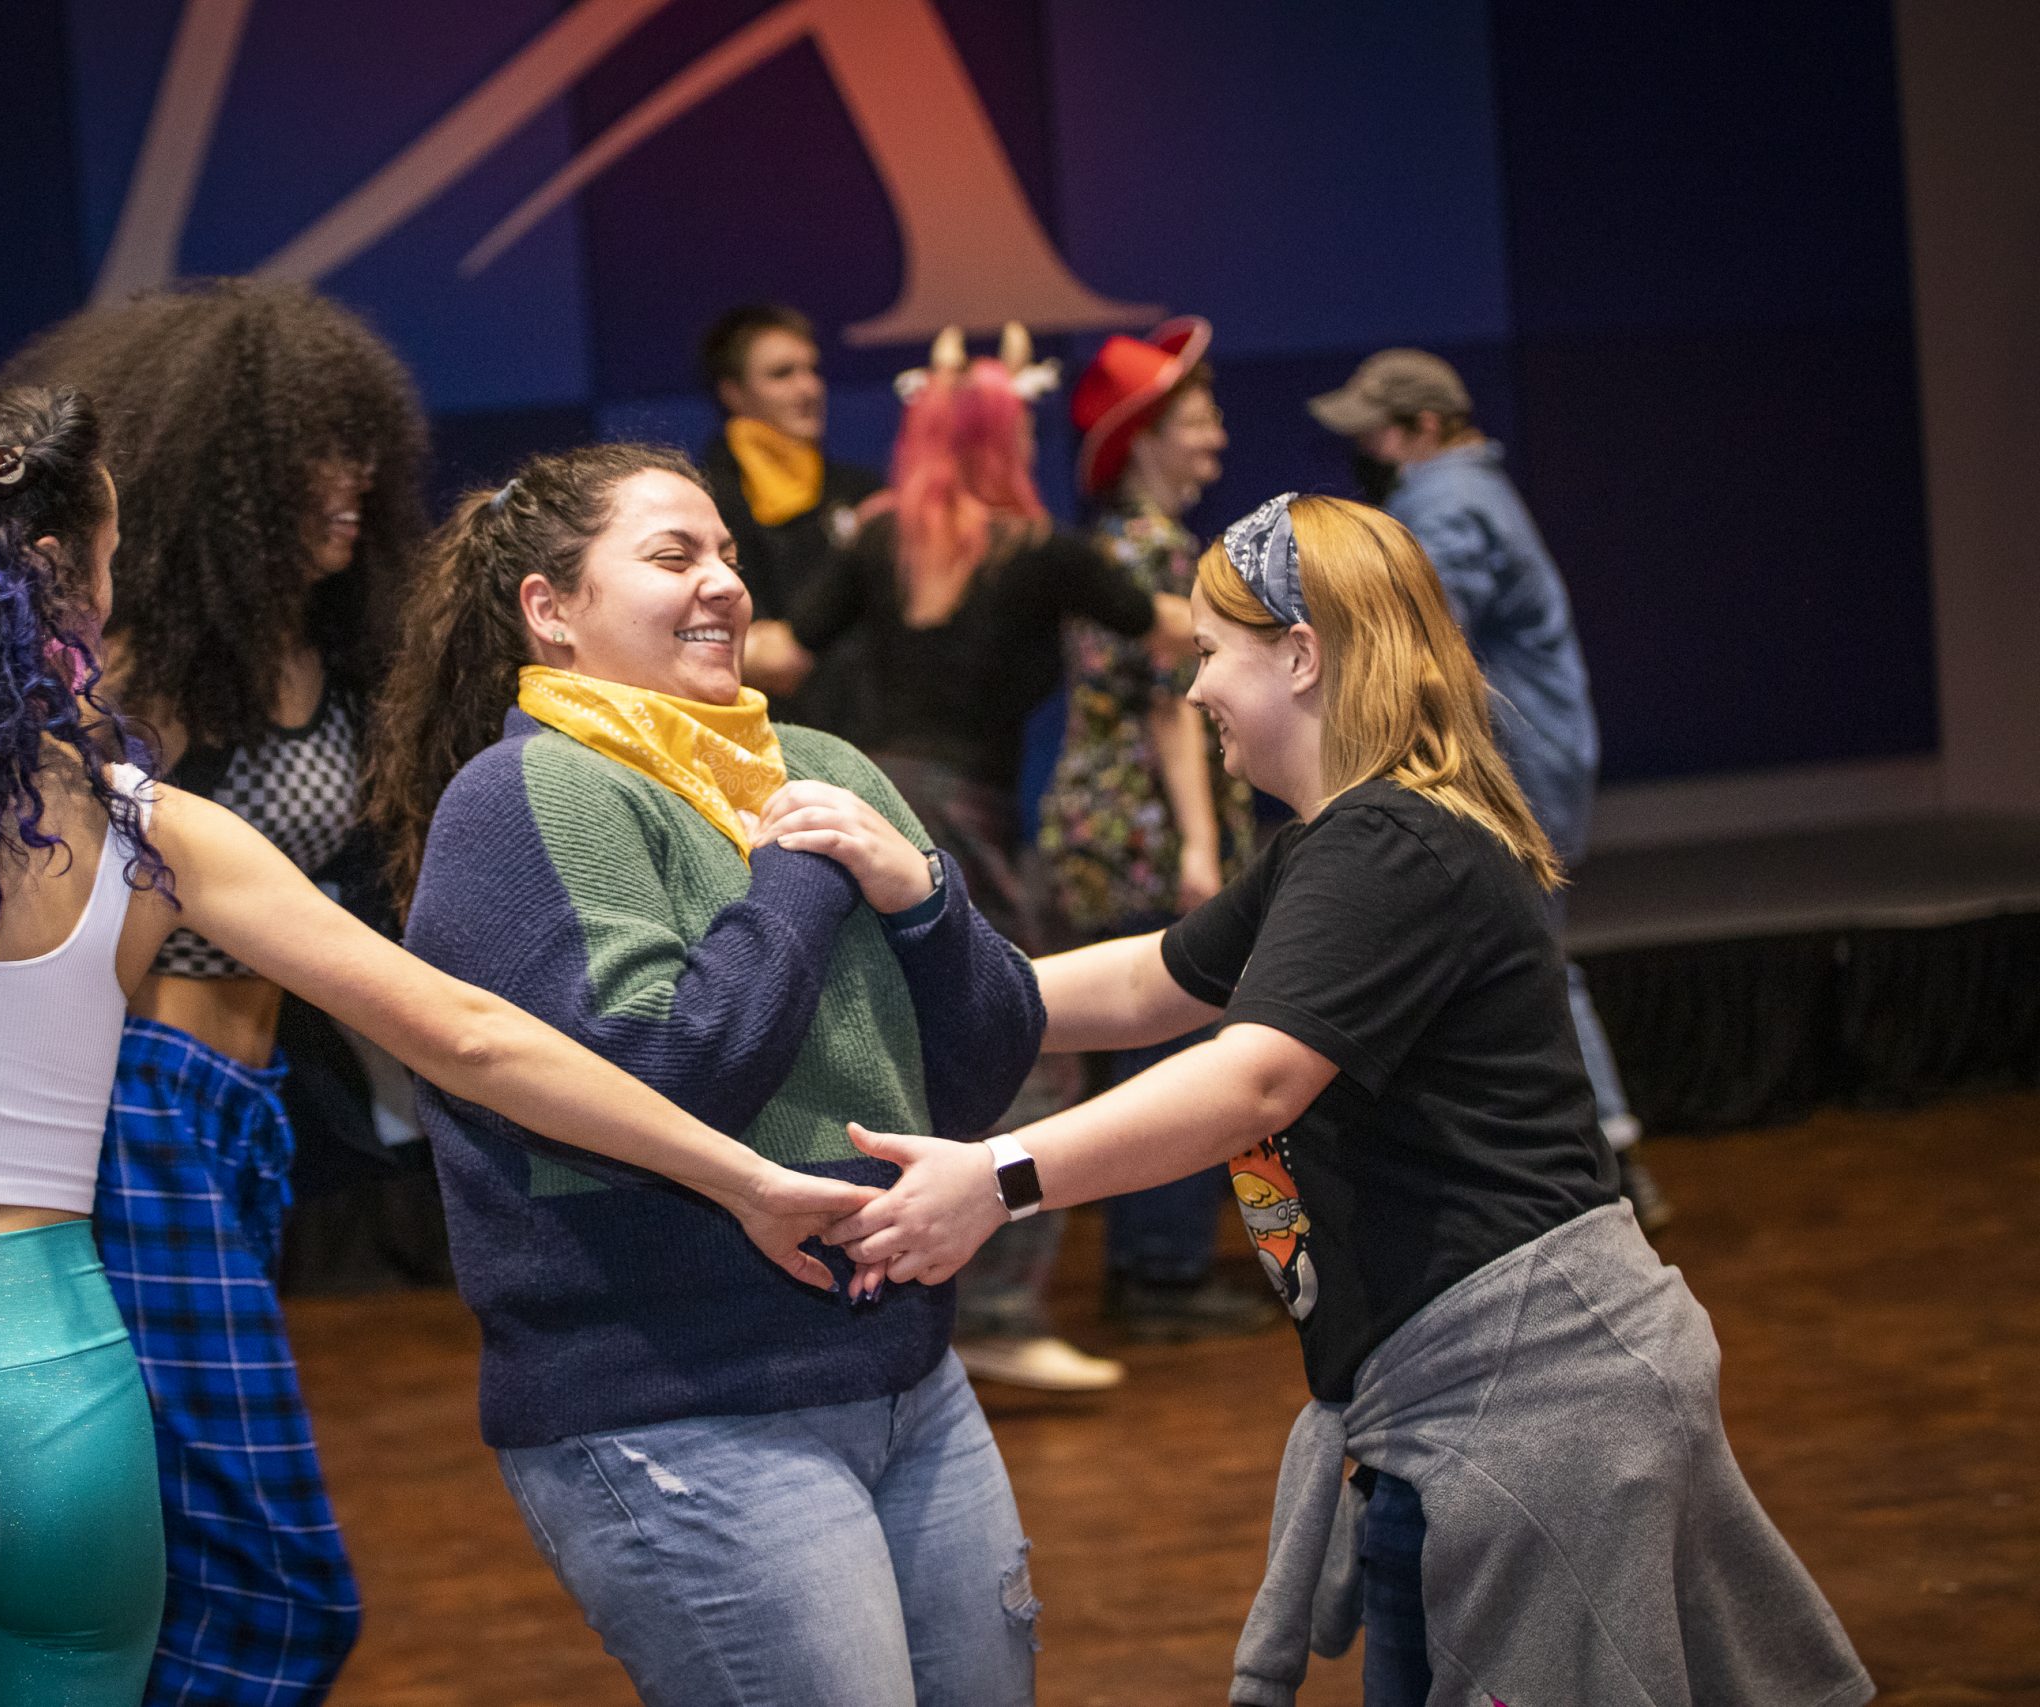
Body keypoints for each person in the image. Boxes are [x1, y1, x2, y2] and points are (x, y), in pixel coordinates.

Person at [0, 385, 875, 1707]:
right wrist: (743, 1176)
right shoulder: (148, 831)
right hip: (79, 1439)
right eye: (109, 570)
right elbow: (467, 1032)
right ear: (65, 596)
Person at [826, 495, 1869, 1706]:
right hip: (1456, 1407)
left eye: (1212, 654)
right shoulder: (1334, 848)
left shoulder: (1390, 841)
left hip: (1534, 1405)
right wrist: (923, 936)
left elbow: (1250, 1077)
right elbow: (1142, 982)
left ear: (1302, 656)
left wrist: (997, 1178)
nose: (1194, 688)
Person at [368, 442, 1049, 1707]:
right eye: (673, 556)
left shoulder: (824, 765)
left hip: (906, 1369)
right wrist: (793, 872)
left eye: (728, 554)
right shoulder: (529, 793)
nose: (722, 582)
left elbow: (988, 1062)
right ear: (550, 610)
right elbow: (666, 1078)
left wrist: (921, 902)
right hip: (678, 1400)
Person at [0, 277, 429, 1700]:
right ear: (224, 477)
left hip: (245, 1114)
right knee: (277, 1585)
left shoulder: (340, 655)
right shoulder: (143, 675)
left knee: (177, 1558)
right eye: (311, 453)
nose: (349, 483)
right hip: (142, 1116)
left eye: (361, 447)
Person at [787, 328, 1197, 1392]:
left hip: (874, 800)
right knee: (1034, 1051)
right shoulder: (1036, 551)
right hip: (949, 823)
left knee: (883, 1041)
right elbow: (1165, 627)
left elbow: (784, 652)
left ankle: (872, 1281)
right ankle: (1000, 1310)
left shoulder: (880, 541)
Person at [1308, 348, 1669, 1231]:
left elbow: (1420, 638)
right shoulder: (1465, 490)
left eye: (1380, 431)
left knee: (1531, 957)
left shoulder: (1448, 501)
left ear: (1427, 429)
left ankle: (1609, 1163)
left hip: (1514, 763)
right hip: (1526, 758)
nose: (1369, 447)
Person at [1038, 318, 1273, 1343]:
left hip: (1116, 826)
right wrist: (1201, 853)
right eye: (1196, 416)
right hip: (1141, 831)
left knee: (1171, 1047)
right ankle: (1163, 1274)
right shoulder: (1146, 555)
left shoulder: (1136, 547)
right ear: (1142, 440)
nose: (1216, 433)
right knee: (1176, 1051)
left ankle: (1164, 1267)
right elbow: (1166, 708)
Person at [698, 303, 881, 726]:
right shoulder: (705, 500)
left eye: (812, 370)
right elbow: (764, 657)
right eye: (782, 374)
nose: (808, 388)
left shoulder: (862, 491)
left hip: (877, 732)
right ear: (733, 392)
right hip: (771, 735)